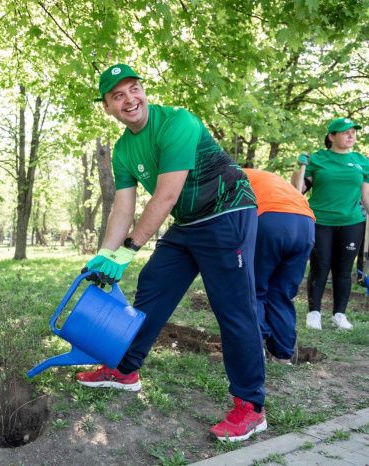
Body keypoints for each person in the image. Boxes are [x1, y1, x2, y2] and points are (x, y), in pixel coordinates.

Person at [77, 64, 266, 442]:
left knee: (233, 307)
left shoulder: (177, 122)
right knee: (154, 283)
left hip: (227, 212)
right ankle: (125, 370)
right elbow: (123, 207)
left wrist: (129, 249)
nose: (129, 99)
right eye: (118, 95)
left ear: (144, 90)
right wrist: (105, 254)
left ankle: (250, 406)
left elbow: (166, 196)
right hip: (190, 222)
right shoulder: (123, 149)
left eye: (134, 89)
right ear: (108, 108)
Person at [291, 118, 369, 330]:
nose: (350, 135)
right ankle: (314, 313)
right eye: (345, 132)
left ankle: (339, 314)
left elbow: (366, 195)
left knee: (344, 270)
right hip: (320, 221)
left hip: (352, 221)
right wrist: (300, 168)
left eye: (353, 132)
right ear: (331, 136)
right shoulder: (317, 159)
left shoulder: (361, 161)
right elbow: (298, 190)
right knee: (321, 265)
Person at [243, 168, 315, 364]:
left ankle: (256, 349)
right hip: (305, 223)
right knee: (281, 292)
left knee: (254, 289)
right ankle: (283, 355)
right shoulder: (264, 177)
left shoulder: (228, 177)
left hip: (271, 220)